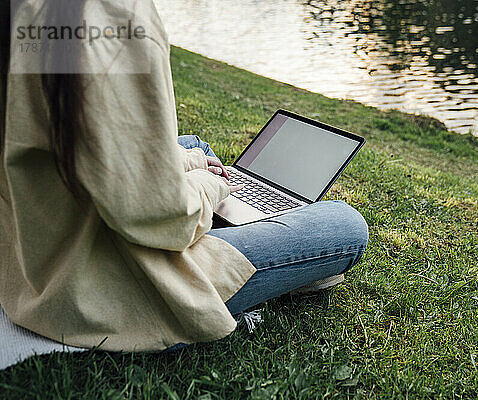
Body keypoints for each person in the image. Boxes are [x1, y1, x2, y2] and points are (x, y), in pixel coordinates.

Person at [0, 0, 368, 351]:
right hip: (94, 284)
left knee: (196, 147)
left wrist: (188, 162)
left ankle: (239, 216)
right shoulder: (113, 17)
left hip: (33, 244)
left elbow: (93, 136)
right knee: (345, 225)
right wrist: (211, 186)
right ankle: (248, 235)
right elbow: (161, 218)